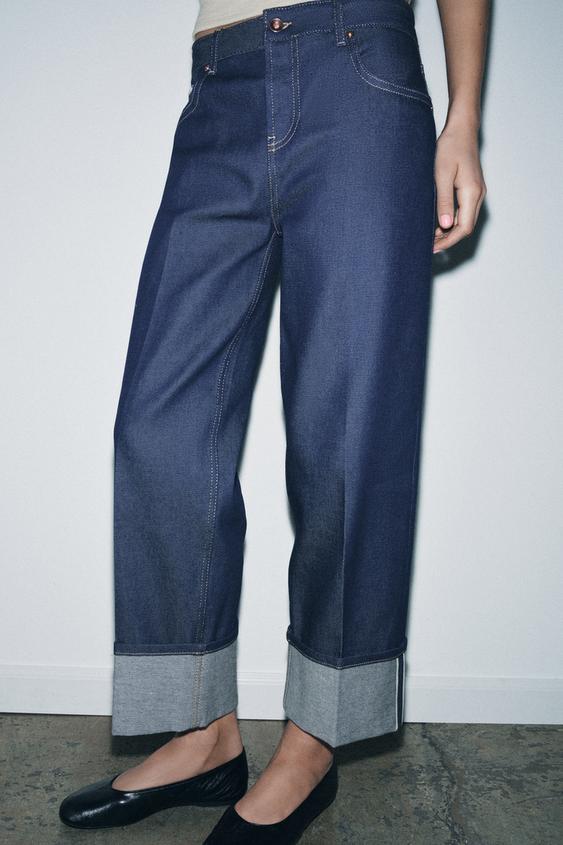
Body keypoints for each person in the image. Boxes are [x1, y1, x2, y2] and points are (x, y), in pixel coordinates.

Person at [59, 0, 488, 841]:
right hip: (220, 81)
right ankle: (202, 734)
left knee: (346, 429)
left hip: (358, 72)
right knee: (158, 422)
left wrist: (463, 117)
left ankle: (313, 741)